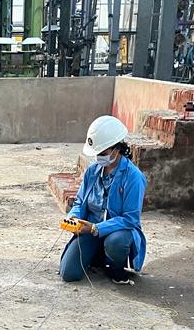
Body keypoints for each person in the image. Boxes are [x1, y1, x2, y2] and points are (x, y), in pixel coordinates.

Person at [59, 115, 147, 285]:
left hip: (116, 231)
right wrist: (74, 217)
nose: (99, 158)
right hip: (90, 228)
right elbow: (80, 202)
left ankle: (116, 267)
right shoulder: (92, 172)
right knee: (68, 273)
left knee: (116, 242)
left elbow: (130, 219)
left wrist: (96, 228)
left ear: (117, 149)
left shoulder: (133, 177)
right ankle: (97, 255)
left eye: (103, 153)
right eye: (96, 154)